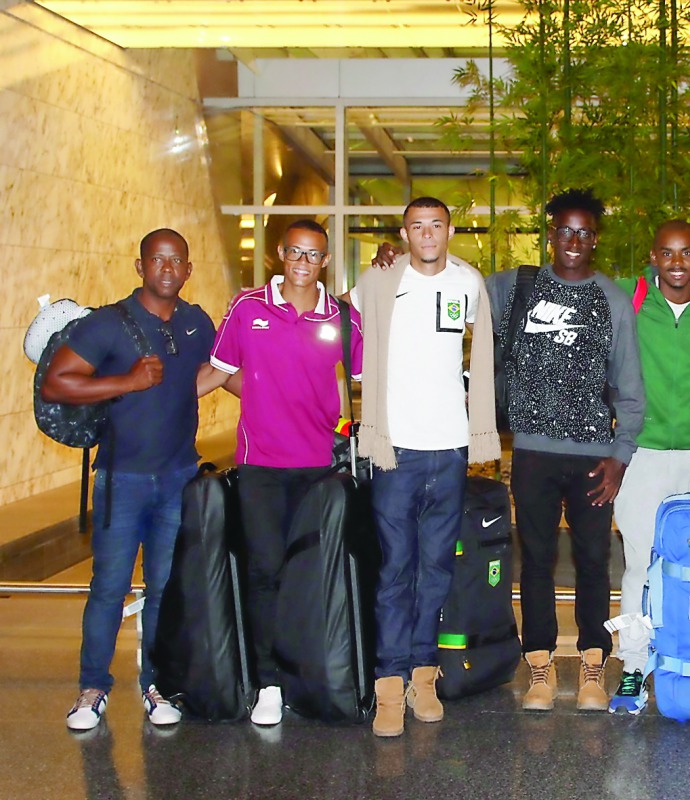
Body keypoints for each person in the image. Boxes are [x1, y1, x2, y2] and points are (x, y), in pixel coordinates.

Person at [42, 229, 220, 731]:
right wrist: (129, 381)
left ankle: (156, 685)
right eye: (157, 260)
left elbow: (207, 376)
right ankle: (92, 688)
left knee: (165, 589)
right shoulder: (107, 323)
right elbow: (57, 382)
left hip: (179, 477)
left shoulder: (196, 322)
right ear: (140, 266)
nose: (167, 268)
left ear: (188, 270)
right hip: (121, 479)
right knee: (109, 588)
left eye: (176, 260)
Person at [201, 219, 364, 727]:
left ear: (325, 261)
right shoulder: (247, 307)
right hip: (262, 466)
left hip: (320, 469)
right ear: (280, 253)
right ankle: (268, 683)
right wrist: (154, 401)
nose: (303, 262)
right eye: (295, 252)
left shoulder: (340, 315)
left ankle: (309, 674)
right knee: (264, 571)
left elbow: (370, 375)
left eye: (313, 255)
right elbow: (218, 372)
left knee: (312, 575)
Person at [490, 188, 645, 712]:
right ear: (550, 234)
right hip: (532, 452)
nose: (574, 241)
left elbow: (630, 387)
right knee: (535, 560)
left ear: (595, 239)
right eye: (565, 231)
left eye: (584, 232)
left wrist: (620, 457)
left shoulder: (612, 299)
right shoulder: (516, 287)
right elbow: (451, 282)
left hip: (593, 457)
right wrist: (395, 259)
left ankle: (592, 665)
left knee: (593, 561)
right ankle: (539, 665)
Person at [351, 196, 501, 737]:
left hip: (450, 446)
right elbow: (341, 321)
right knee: (395, 569)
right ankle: (389, 683)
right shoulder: (379, 279)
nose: (428, 234)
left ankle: (423, 673)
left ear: (450, 230)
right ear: (404, 233)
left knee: (436, 569)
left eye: (436, 225)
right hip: (397, 448)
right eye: (417, 226)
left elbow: (484, 351)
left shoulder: (468, 282)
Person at [607, 219, 690, 714]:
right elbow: (572, 284)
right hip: (643, 451)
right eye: (667, 252)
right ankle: (634, 664)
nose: (677, 262)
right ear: (653, 257)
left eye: (686, 252)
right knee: (640, 564)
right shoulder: (631, 296)